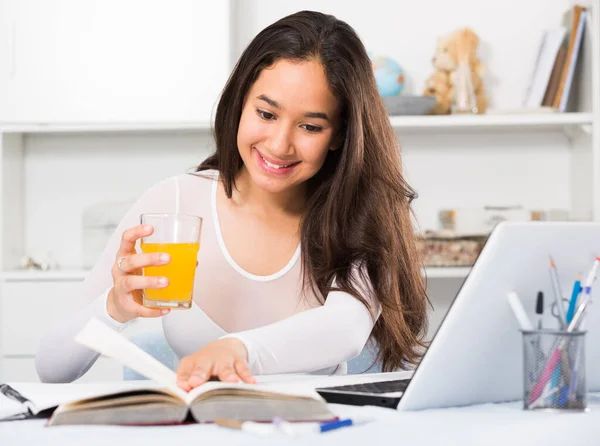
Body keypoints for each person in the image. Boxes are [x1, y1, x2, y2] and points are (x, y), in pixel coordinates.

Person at [35, 10, 429, 391]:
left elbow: (345, 329)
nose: (279, 144)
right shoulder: (174, 202)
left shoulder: (357, 214)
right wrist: (113, 307)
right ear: (240, 102)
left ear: (340, 136)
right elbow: (51, 369)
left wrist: (237, 350)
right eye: (266, 113)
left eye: (310, 126)